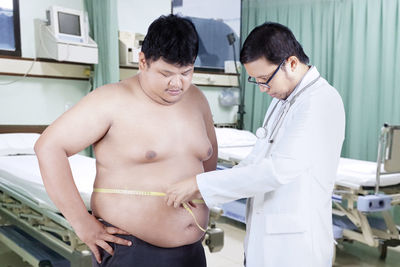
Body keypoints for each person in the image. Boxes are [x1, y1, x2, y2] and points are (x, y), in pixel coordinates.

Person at [35, 14, 217, 267]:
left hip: (192, 250)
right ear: (142, 61)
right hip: (133, 251)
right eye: (166, 73)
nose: (178, 83)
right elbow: (48, 146)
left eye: (186, 72)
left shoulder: (197, 99)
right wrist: (81, 222)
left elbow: (207, 161)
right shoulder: (111, 99)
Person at [165, 22, 345, 267]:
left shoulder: (320, 101)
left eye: (264, 79)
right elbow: (256, 160)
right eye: (256, 81)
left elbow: (276, 170)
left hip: (295, 249)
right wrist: (205, 189)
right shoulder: (284, 98)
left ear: (291, 63)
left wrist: (200, 185)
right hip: (266, 238)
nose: (262, 89)